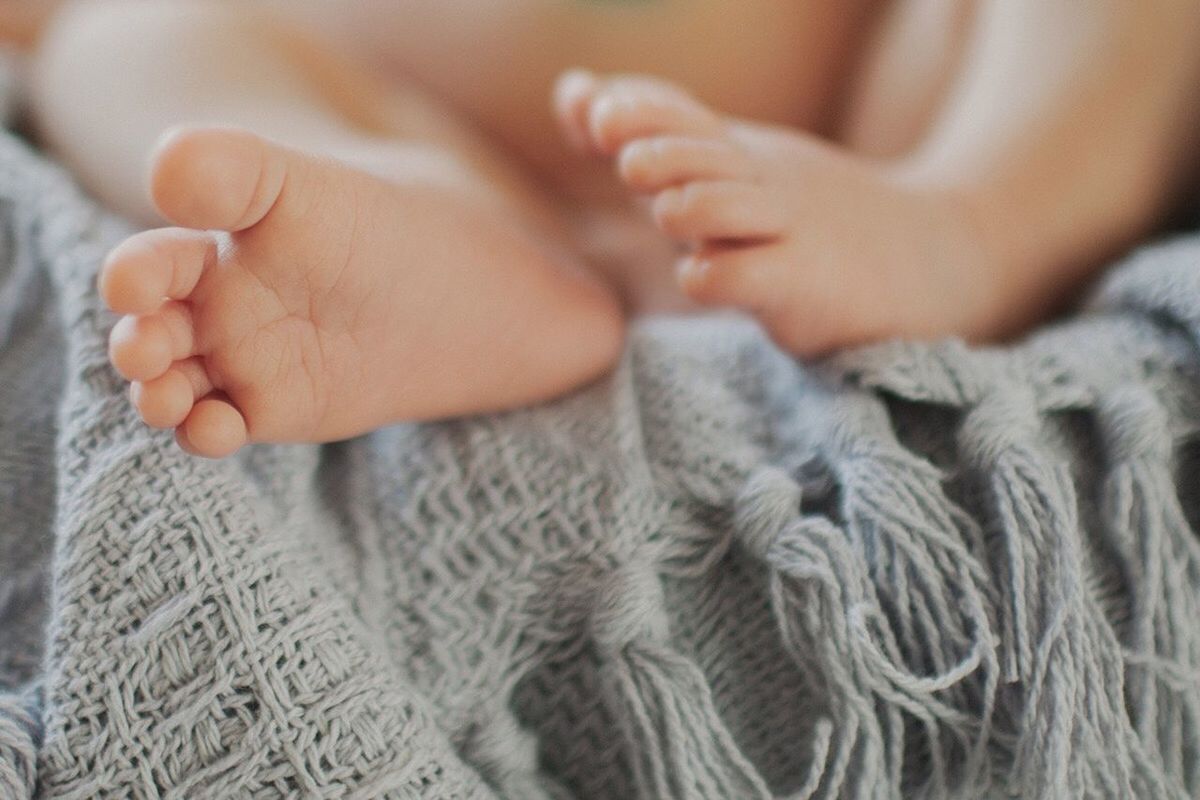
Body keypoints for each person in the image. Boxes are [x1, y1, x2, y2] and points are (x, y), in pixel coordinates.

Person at [5, 0, 1199, 457]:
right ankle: (455, 252)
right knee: (120, 51)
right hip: (443, 138)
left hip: (880, 98)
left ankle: (971, 219)